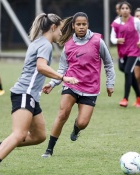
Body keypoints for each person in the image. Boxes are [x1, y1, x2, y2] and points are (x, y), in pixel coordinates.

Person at [0, 13, 78, 175]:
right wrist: (62, 77)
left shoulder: (39, 42)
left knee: (39, 136)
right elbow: (41, 67)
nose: (61, 34)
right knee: (19, 134)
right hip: (24, 93)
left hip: (31, 95)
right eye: (60, 30)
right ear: (53, 28)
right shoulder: (45, 45)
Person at [41, 12, 115, 158]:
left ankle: (76, 129)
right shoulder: (68, 45)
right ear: (73, 26)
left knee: (82, 123)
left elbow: (108, 63)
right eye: (78, 24)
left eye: (84, 24)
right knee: (62, 114)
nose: (81, 27)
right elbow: (62, 69)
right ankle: (49, 149)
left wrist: (110, 83)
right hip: (71, 85)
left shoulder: (97, 41)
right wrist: (52, 83)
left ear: (88, 25)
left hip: (91, 88)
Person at [110, 1, 140, 108]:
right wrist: (117, 40)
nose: (125, 10)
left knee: (127, 71)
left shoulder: (136, 21)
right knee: (126, 71)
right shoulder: (116, 22)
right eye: (122, 8)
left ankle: (125, 98)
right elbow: (112, 37)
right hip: (122, 52)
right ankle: (139, 95)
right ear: (119, 11)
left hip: (134, 50)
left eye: (127, 8)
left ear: (130, 10)